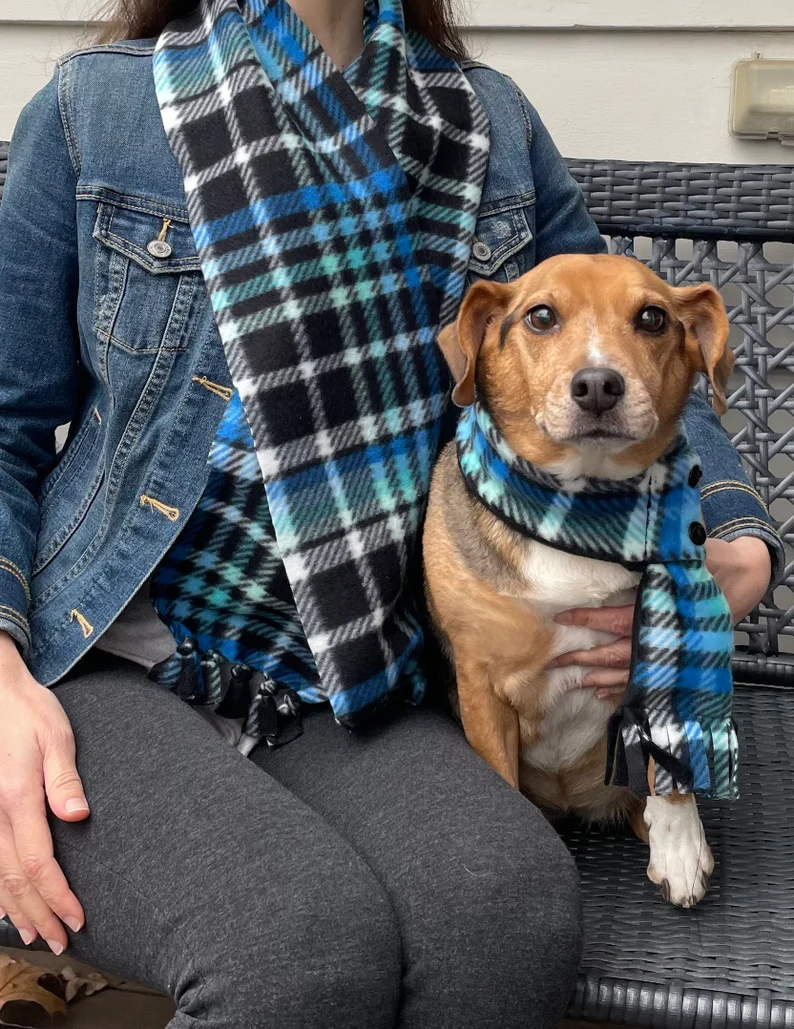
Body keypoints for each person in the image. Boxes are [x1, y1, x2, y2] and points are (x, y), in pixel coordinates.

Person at [0, 0, 781, 1026]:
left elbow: (645, 342)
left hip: (352, 660)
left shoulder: (488, 125)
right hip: (106, 654)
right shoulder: (94, 112)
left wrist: (727, 537)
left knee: (503, 911)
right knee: (294, 947)